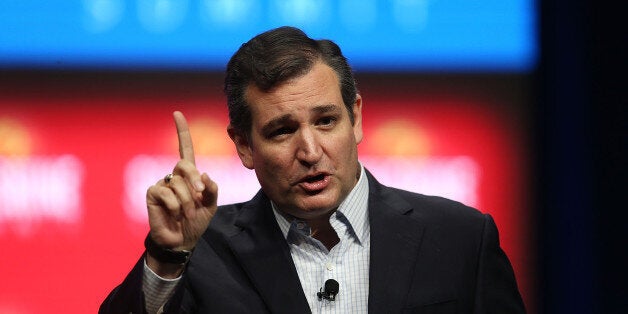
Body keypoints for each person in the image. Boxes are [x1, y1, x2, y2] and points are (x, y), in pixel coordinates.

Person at [100, 26, 525, 313]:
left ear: (355, 118)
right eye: (282, 131)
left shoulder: (460, 239)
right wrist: (167, 257)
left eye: (325, 121)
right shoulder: (200, 254)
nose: (310, 151)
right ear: (245, 146)